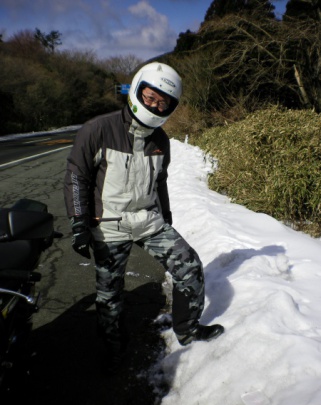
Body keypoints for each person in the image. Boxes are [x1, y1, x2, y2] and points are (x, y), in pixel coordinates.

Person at [63, 62, 224, 365]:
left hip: (149, 220)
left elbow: (159, 181)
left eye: (163, 102)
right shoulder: (98, 129)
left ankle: (187, 331)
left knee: (189, 266)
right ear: (137, 91)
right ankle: (114, 348)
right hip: (108, 225)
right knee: (109, 296)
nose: (155, 104)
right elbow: (76, 176)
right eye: (150, 96)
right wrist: (79, 222)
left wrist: (167, 215)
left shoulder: (161, 140)